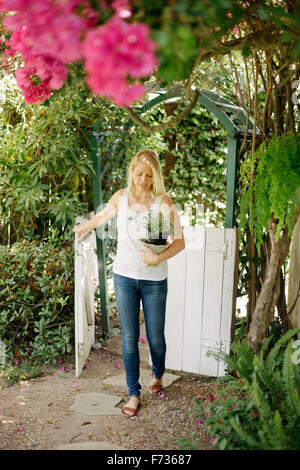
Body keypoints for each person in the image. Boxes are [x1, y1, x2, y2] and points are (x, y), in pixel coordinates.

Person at [73, 149, 185, 417]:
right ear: (132, 172)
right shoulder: (120, 198)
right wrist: (83, 227)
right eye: (139, 174)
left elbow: (179, 242)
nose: (143, 180)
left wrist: (157, 259)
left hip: (155, 280)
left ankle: (157, 375)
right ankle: (133, 393)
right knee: (129, 338)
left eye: (148, 175)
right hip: (124, 277)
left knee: (156, 338)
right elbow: (102, 217)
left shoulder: (164, 202)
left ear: (155, 175)